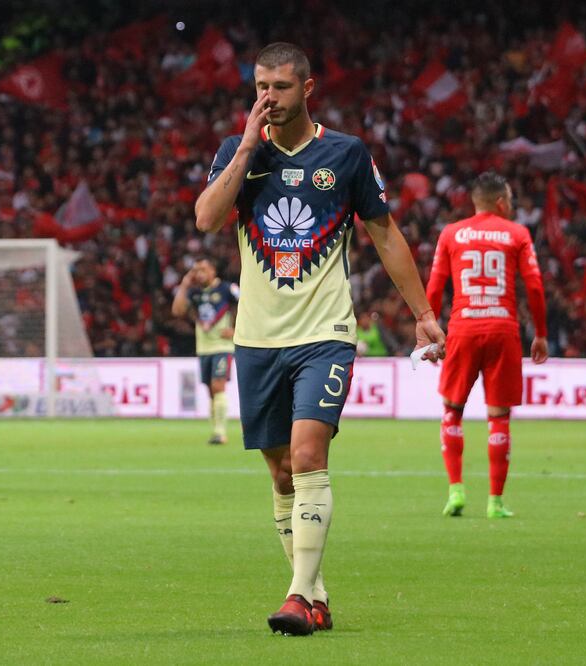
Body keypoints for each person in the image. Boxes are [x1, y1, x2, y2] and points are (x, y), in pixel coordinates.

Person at [194, 42, 445, 635]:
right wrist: (248, 147)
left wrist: (425, 313)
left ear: (307, 89)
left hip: (324, 333)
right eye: (260, 87)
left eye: (280, 88)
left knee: (309, 455)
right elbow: (206, 218)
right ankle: (317, 596)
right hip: (256, 337)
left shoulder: (347, 154)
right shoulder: (237, 151)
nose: (268, 99)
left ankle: (298, 595)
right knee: (281, 473)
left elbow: (384, 234)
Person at [425, 172, 548, 520]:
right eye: (510, 199)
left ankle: (456, 492)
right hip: (502, 328)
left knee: (452, 410)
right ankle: (495, 501)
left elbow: (435, 286)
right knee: (499, 418)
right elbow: (535, 286)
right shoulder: (517, 233)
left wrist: (434, 333)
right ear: (500, 202)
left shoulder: (451, 233)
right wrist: (540, 332)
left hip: (463, 328)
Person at [171, 258, 239, 444]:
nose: (199, 274)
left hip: (222, 347)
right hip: (204, 348)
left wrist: (237, 329)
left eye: (203, 270)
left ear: (213, 271)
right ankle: (216, 430)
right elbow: (177, 311)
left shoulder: (226, 289)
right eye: (196, 271)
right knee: (211, 391)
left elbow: (247, 305)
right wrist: (184, 285)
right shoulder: (194, 293)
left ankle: (220, 432)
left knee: (218, 386)